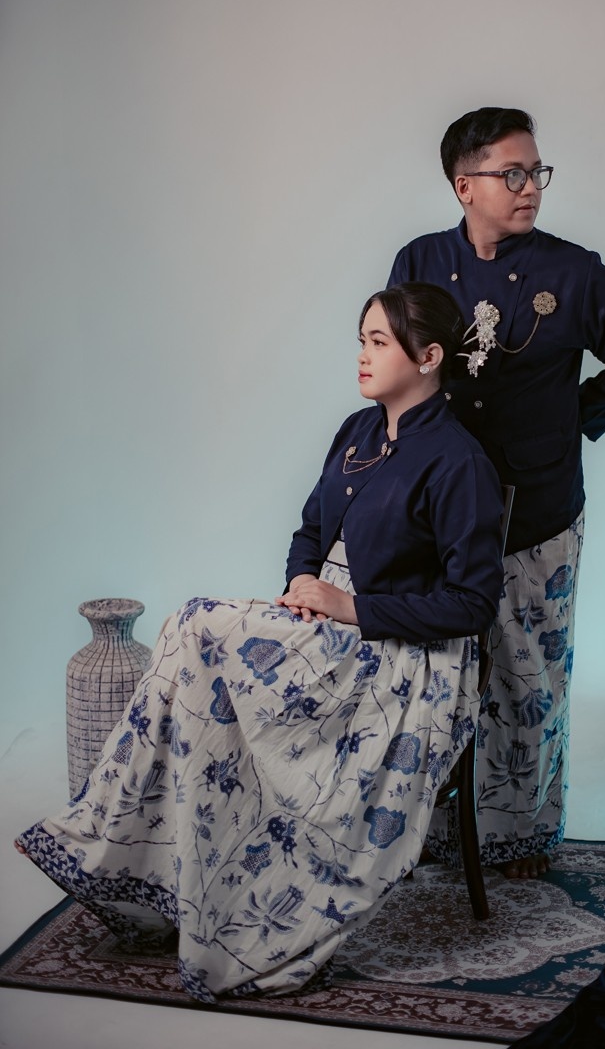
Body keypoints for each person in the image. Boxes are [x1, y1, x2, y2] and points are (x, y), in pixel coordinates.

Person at [16, 282, 504, 1002]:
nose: (363, 355)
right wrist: (304, 584)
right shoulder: (357, 430)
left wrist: (351, 606)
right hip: (324, 626)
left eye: (379, 342)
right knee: (193, 645)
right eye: (361, 339)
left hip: (396, 654)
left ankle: (111, 835)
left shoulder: (459, 461)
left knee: (195, 624)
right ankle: (155, 863)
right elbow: (309, 530)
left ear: (429, 357)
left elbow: (474, 603)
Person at [388, 107, 605, 880]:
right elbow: (402, 365)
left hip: (538, 507)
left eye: (536, 171)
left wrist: (567, 423)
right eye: (511, 173)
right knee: (434, 670)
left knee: (527, 674)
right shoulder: (420, 259)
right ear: (463, 185)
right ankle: (428, 827)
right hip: (439, 506)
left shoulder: (575, 273)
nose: (529, 187)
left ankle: (522, 835)